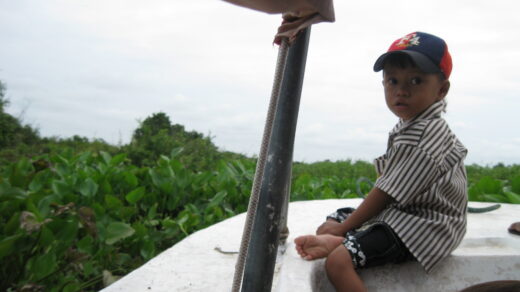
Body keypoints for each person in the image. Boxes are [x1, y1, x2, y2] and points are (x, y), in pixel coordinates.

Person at [294, 32, 468, 292]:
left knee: (338, 263)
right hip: (405, 213)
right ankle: (343, 237)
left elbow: (385, 193)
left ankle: (340, 243)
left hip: (427, 227)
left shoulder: (424, 134)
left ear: (441, 90)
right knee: (336, 216)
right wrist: (343, 225)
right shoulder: (412, 125)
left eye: (416, 80)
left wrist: (343, 230)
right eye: (392, 81)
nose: (401, 91)